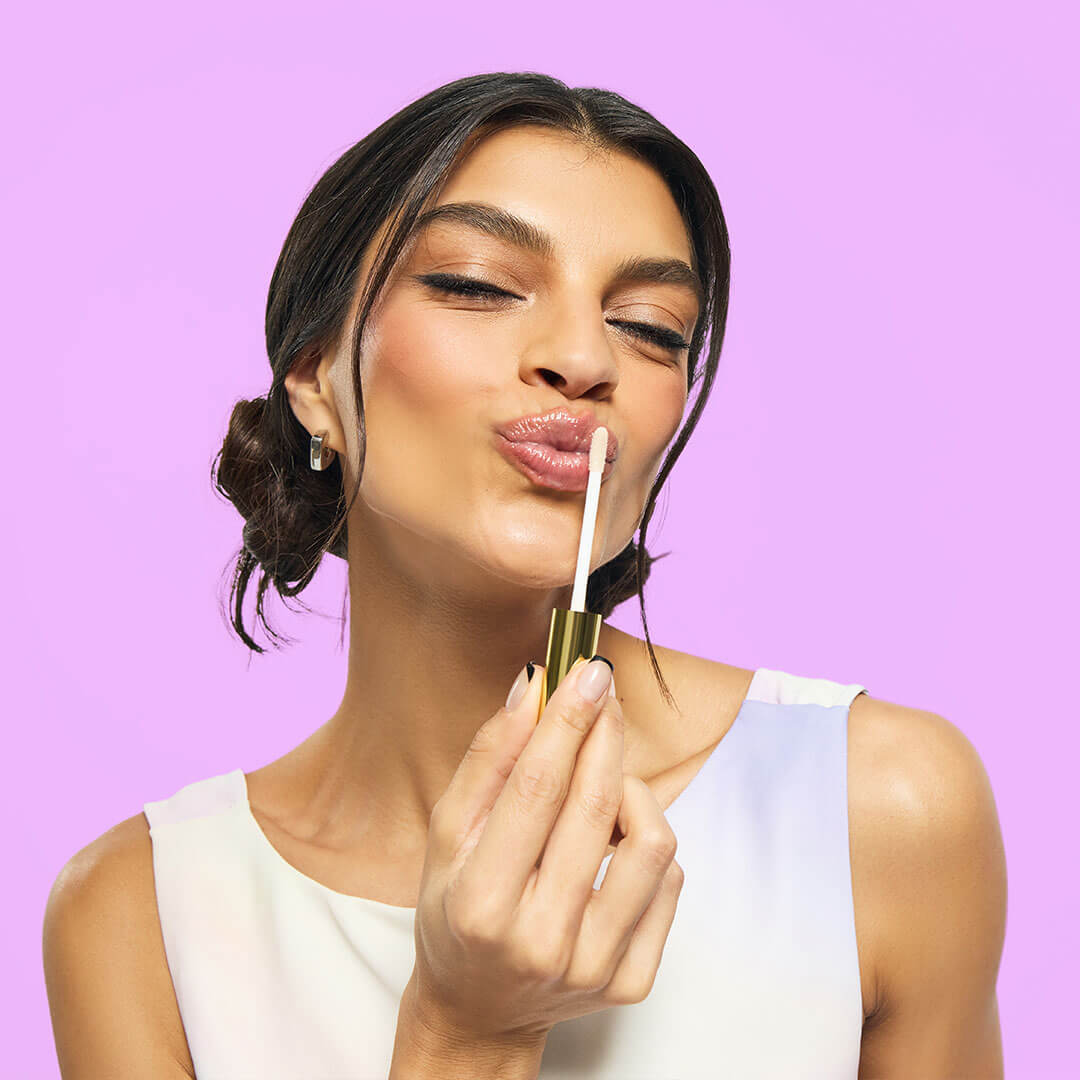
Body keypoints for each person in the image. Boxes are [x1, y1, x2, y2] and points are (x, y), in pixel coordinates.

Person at [43, 72, 1006, 1079]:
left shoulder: (879, 812)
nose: (585, 358)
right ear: (316, 377)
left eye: (651, 328)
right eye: (476, 283)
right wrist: (468, 1035)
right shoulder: (142, 914)